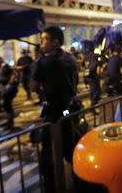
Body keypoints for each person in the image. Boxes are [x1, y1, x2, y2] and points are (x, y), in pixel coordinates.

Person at [31, 26, 80, 192]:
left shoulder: (43, 62)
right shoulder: (71, 59)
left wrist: (38, 63)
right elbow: (76, 82)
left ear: (55, 42)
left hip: (53, 112)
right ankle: (78, 179)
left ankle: (51, 186)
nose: (41, 42)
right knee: (69, 146)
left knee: (47, 150)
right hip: (69, 109)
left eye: (44, 39)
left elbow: (33, 86)